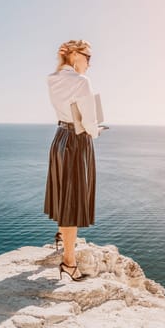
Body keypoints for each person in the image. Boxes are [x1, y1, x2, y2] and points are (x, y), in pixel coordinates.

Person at [43, 39, 105, 281]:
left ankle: (61, 236)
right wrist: (97, 130)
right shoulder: (81, 81)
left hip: (59, 138)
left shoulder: (53, 78)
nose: (89, 64)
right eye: (88, 58)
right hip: (77, 141)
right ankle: (69, 263)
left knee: (62, 192)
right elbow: (89, 122)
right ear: (77, 55)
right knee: (74, 200)